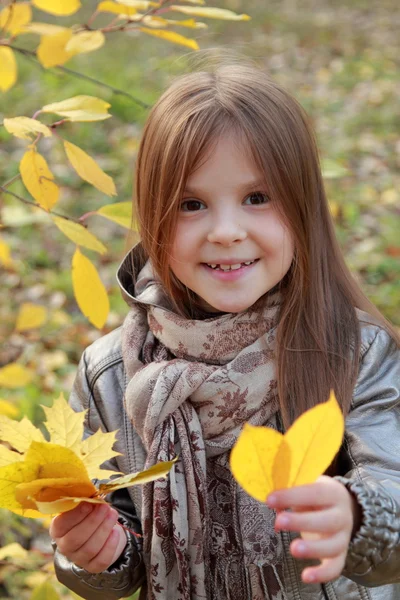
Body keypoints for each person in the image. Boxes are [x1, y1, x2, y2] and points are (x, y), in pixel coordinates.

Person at [50, 61, 400, 600]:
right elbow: (118, 547)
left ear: (302, 206)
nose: (227, 231)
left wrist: (357, 515)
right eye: (192, 205)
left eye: (257, 198)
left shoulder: (357, 352)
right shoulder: (111, 374)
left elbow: (393, 491)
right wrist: (99, 556)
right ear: (154, 216)